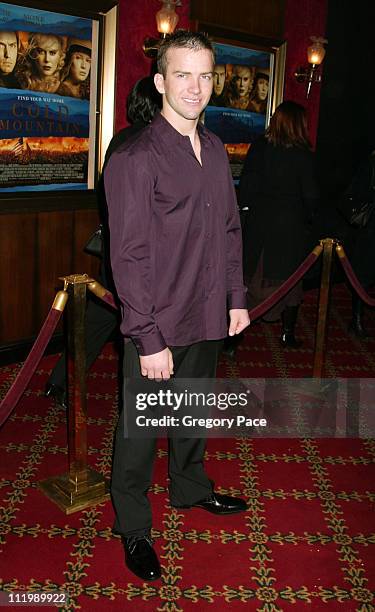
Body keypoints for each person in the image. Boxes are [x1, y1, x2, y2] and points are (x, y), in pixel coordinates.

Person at [104, 31, 250, 582]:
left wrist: (236, 299)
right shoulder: (135, 156)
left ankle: (191, 488)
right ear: (160, 82)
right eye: (183, 75)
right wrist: (148, 336)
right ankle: (134, 527)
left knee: (192, 414)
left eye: (205, 75)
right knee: (139, 431)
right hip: (159, 323)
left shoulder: (213, 148)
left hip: (208, 312)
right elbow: (129, 256)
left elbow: (229, 229)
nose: (195, 87)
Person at [45, 77, 161, 408]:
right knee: (135, 323)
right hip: (140, 254)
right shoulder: (150, 144)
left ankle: (59, 381)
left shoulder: (121, 139)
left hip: (117, 248)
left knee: (101, 316)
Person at [239, 101, 319, 347]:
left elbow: (246, 188)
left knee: (251, 280)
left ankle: (235, 337)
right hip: (289, 229)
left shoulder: (260, 147)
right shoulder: (303, 155)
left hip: (259, 224)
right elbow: (311, 197)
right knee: (290, 282)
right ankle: (288, 333)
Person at [344, 150, 375, 338]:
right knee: (364, 274)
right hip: (371, 227)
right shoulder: (369, 162)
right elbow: (359, 192)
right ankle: (356, 320)